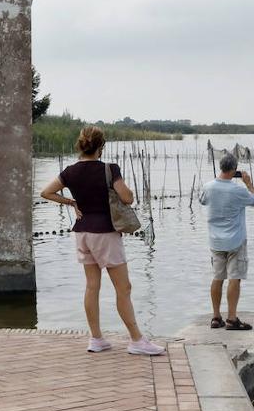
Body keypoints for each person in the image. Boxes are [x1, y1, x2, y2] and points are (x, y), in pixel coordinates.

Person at [40, 125, 165, 356]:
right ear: (101, 146)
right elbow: (127, 197)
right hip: (105, 233)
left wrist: (72, 203)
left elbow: (46, 192)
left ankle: (96, 339)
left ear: (81, 145)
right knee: (123, 288)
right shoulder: (109, 169)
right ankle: (137, 340)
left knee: (91, 286)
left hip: (82, 233)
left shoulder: (70, 171)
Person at [198, 153, 254, 330]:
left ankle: (216, 317)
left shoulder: (208, 187)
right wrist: (248, 184)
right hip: (235, 240)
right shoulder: (238, 190)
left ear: (220, 167)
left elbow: (202, 201)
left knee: (217, 277)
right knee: (235, 277)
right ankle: (232, 319)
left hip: (215, 241)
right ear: (234, 169)